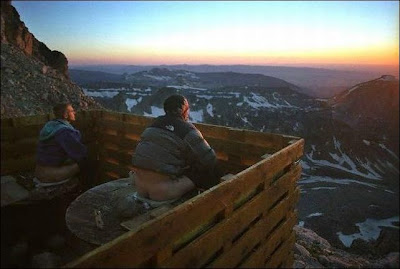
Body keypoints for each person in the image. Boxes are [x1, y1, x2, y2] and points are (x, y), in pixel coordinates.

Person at [132, 94, 223, 201]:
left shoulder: (153, 125)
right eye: (187, 109)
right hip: (163, 191)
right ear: (181, 110)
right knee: (205, 171)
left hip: (139, 187)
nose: (188, 113)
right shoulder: (187, 130)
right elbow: (210, 159)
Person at [35, 103, 88, 184]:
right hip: (50, 173)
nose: (74, 113)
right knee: (85, 161)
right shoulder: (64, 131)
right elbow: (79, 153)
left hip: (39, 170)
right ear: (65, 115)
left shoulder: (51, 125)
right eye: (72, 111)